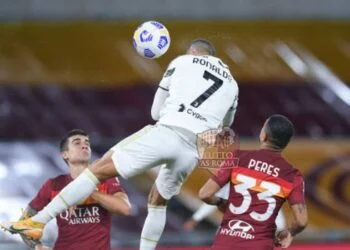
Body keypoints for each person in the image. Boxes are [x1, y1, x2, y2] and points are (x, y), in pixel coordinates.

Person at [1, 39, 239, 250]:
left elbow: (156, 112)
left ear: (192, 52)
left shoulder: (183, 62)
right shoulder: (232, 85)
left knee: (97, 171)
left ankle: (37, 222)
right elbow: (224, 126)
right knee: (158, 201)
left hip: (167, 132)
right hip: (192, 150)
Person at [199, 115, 308, 250]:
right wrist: (290, 232)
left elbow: (205, 194)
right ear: (285, 143)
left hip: (225, 243)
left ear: (264, 136)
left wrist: (221, 203)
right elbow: (301, 221)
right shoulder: (292, 175)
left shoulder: (237, 157)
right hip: (260, 244)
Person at [16, 129, 131, 250]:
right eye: (77, 143)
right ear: (65, 154)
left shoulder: (106, 179)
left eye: (87, 142)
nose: (84, 145)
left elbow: (125, 208)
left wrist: (86, 190)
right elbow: (23, 224)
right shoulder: (53, 185)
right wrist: (38, 247)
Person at [183, 184, 286, 232]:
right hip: (253, 232)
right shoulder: (269, 185)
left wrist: (195, 219)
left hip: (234, 230)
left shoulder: (236, 181)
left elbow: (212, 198)